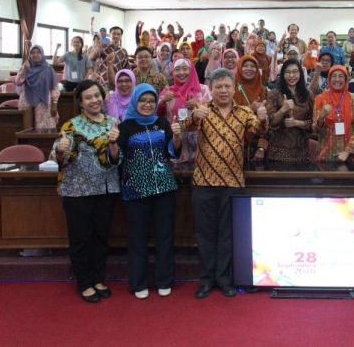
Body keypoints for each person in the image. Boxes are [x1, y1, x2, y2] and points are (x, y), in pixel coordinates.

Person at [186, 68, 267, 299]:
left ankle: (224, 279)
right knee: (205, 235)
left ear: (234, 89)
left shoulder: (244, 112)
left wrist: (263, 118)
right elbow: (186, 126)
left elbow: (258, 130)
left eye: (227, 86)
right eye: (218, 87)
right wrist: (193, 116)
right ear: (211, 89)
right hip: (204, 182)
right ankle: (206, 280)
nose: (223, 90)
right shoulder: (202, 110)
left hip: (233, 182)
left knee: (227, 235)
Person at [51, 80, 119, 303]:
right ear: (80, 102)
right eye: (88, 97)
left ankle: (98, 278)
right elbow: (60, 157)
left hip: (106, 188)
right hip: (77, 190)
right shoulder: (71, 125)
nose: (94, 100)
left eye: (97, 95)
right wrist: (60, 151)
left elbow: (117, 158)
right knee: (81, 238)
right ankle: (84, 282)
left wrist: (114, 146)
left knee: (101, 237)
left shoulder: (113, 122)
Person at [113, 84, 182, 299]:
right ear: (135, 101)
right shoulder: (126, 127)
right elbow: (116, 158)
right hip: (136, 190)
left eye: (151, 101)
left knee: (165, 237)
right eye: (143, 100)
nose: (147, 104)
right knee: (137, 238)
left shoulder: (162, 123)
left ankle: (164, 279)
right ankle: (138, 282)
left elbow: (172, 153)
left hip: (164, 187)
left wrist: (177, 138)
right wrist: (111, 143)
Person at [159, 59, 212, 163]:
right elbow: (158, 115)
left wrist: (197, 105)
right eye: (177, 69)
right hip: (176, 141)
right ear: (173, 72)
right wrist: (163, 101)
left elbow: (213, 112)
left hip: (200, 142)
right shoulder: (168, 92)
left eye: (185, 69)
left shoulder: (203, 90)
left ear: (191, 70)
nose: (181, 73)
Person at [313, 65, 354, 163]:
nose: (337, 79)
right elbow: (315, 130)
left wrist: (347, 151)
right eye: (334, 76)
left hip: (349, 155)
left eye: (341, 76)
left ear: (346, 79)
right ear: (329, 79)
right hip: (326, 154)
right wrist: (321, 118)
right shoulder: (320, 99)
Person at [266, 59, 313, 163]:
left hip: (302, 150)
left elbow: (313, 124)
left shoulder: (307, 95)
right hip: (278, 151)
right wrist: (283, 110)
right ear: (282, 74)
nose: (291, 75)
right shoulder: (273, 94)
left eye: (295, 72)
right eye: (288, 72)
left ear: (300, 74)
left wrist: (297, 123)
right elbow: (270, 123)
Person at [16, 44, 60, 129]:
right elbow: (18, 82)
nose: (35, 55)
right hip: (26, 100)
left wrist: (54, 104)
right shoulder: (25, 67)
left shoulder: (48, 69)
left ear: (42, 54)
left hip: (43, 101)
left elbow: (54, 88)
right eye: (32, 53)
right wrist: (25, 69)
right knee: (25, 129)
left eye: (38, 52)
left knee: (43, 128)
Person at [234, 55, 268, 160]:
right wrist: (249, 108)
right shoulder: (231, 87)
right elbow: (227, 113)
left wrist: (261, 147)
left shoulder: (262, 90)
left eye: (253, 66)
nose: (249, 69)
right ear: (239, 67)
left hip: (256, 144)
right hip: (234, 141)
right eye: (245, 66)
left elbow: (268, 120)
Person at [92, 26, 130, 90]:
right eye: (114, 33)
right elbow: (92, 57)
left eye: (118, 34)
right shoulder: (103, 47)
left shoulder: (124, 51)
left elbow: (126, 69)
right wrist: (98, 45)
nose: (116, 36)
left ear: (121, 36)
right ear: (110, 35)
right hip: (102, 83)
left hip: (117, 84)